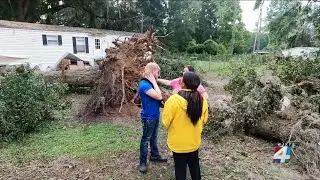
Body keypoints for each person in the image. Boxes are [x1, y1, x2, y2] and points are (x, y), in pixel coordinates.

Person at [162, 72, 209, 180]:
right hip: (194, 141)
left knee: (180, 169)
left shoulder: (173, 100)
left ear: (183, 84)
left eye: (181, 79)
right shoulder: (203, 101)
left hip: (178, 143)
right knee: (195, 166)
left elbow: (165, 122)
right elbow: (204, 120)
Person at [138, 62, 167, 174]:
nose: (158, 75)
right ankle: (142, 162)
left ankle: (154, 155)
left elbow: (158, 97)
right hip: (148, 117)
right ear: (152, 72)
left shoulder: (149, 83)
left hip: (154, 115)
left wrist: (155, 81)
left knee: (154, 137)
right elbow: (159, 96)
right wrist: (154, 81)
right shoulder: (144, 85)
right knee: (145, 139)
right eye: (158, 72)